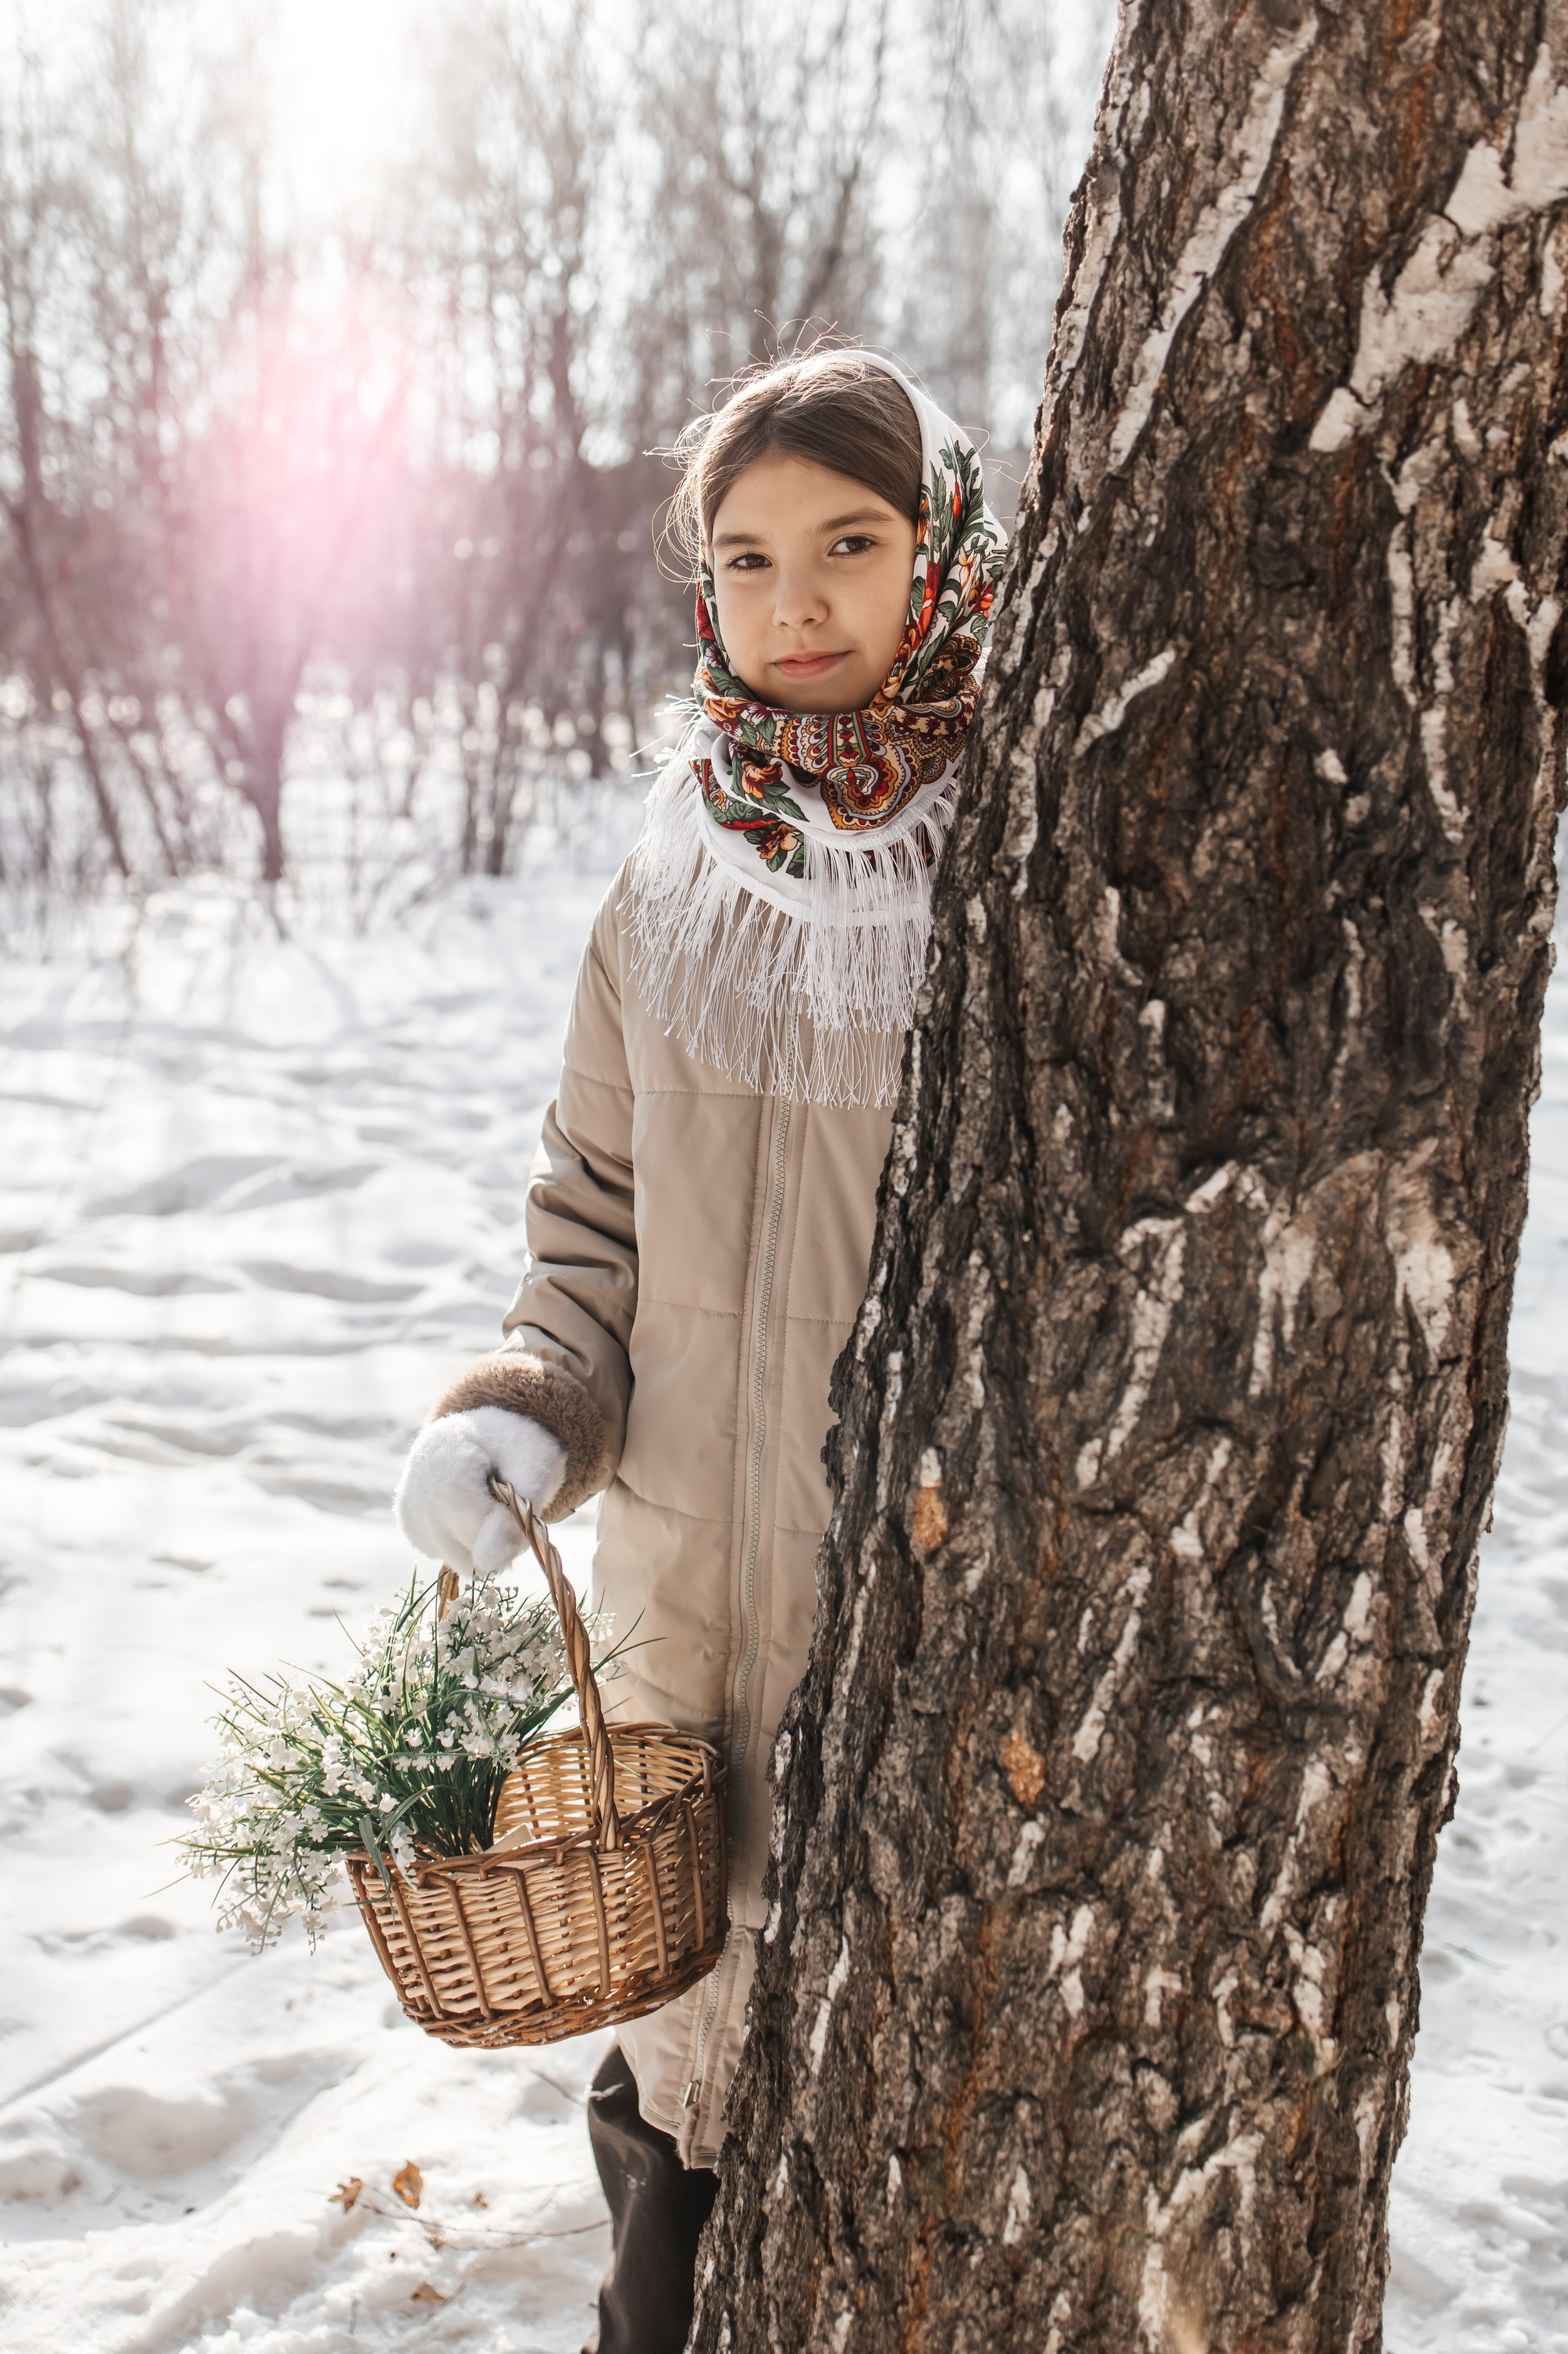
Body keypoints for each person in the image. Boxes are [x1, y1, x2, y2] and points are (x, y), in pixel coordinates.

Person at [393, 346, 1008, 2353]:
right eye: (747, 560)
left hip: (919, 1646)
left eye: (851, 542)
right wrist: (525, 1409)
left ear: (947, 555)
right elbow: (589, 1225)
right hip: (676, 1650)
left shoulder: (1012, 875)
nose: (798, 602)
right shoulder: (671, 889)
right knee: (676, 2147)